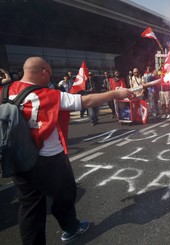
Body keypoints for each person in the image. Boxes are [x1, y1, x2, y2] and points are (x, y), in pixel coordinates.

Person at [0, 57, 134, 244]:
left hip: (18, 158)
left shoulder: (4, 90)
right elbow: (85, 101)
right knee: (64, 194)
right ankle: (71, 228)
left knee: (29, 207)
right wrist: (115, 94)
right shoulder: (48, 94)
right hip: (49, 159)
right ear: (44, 71)